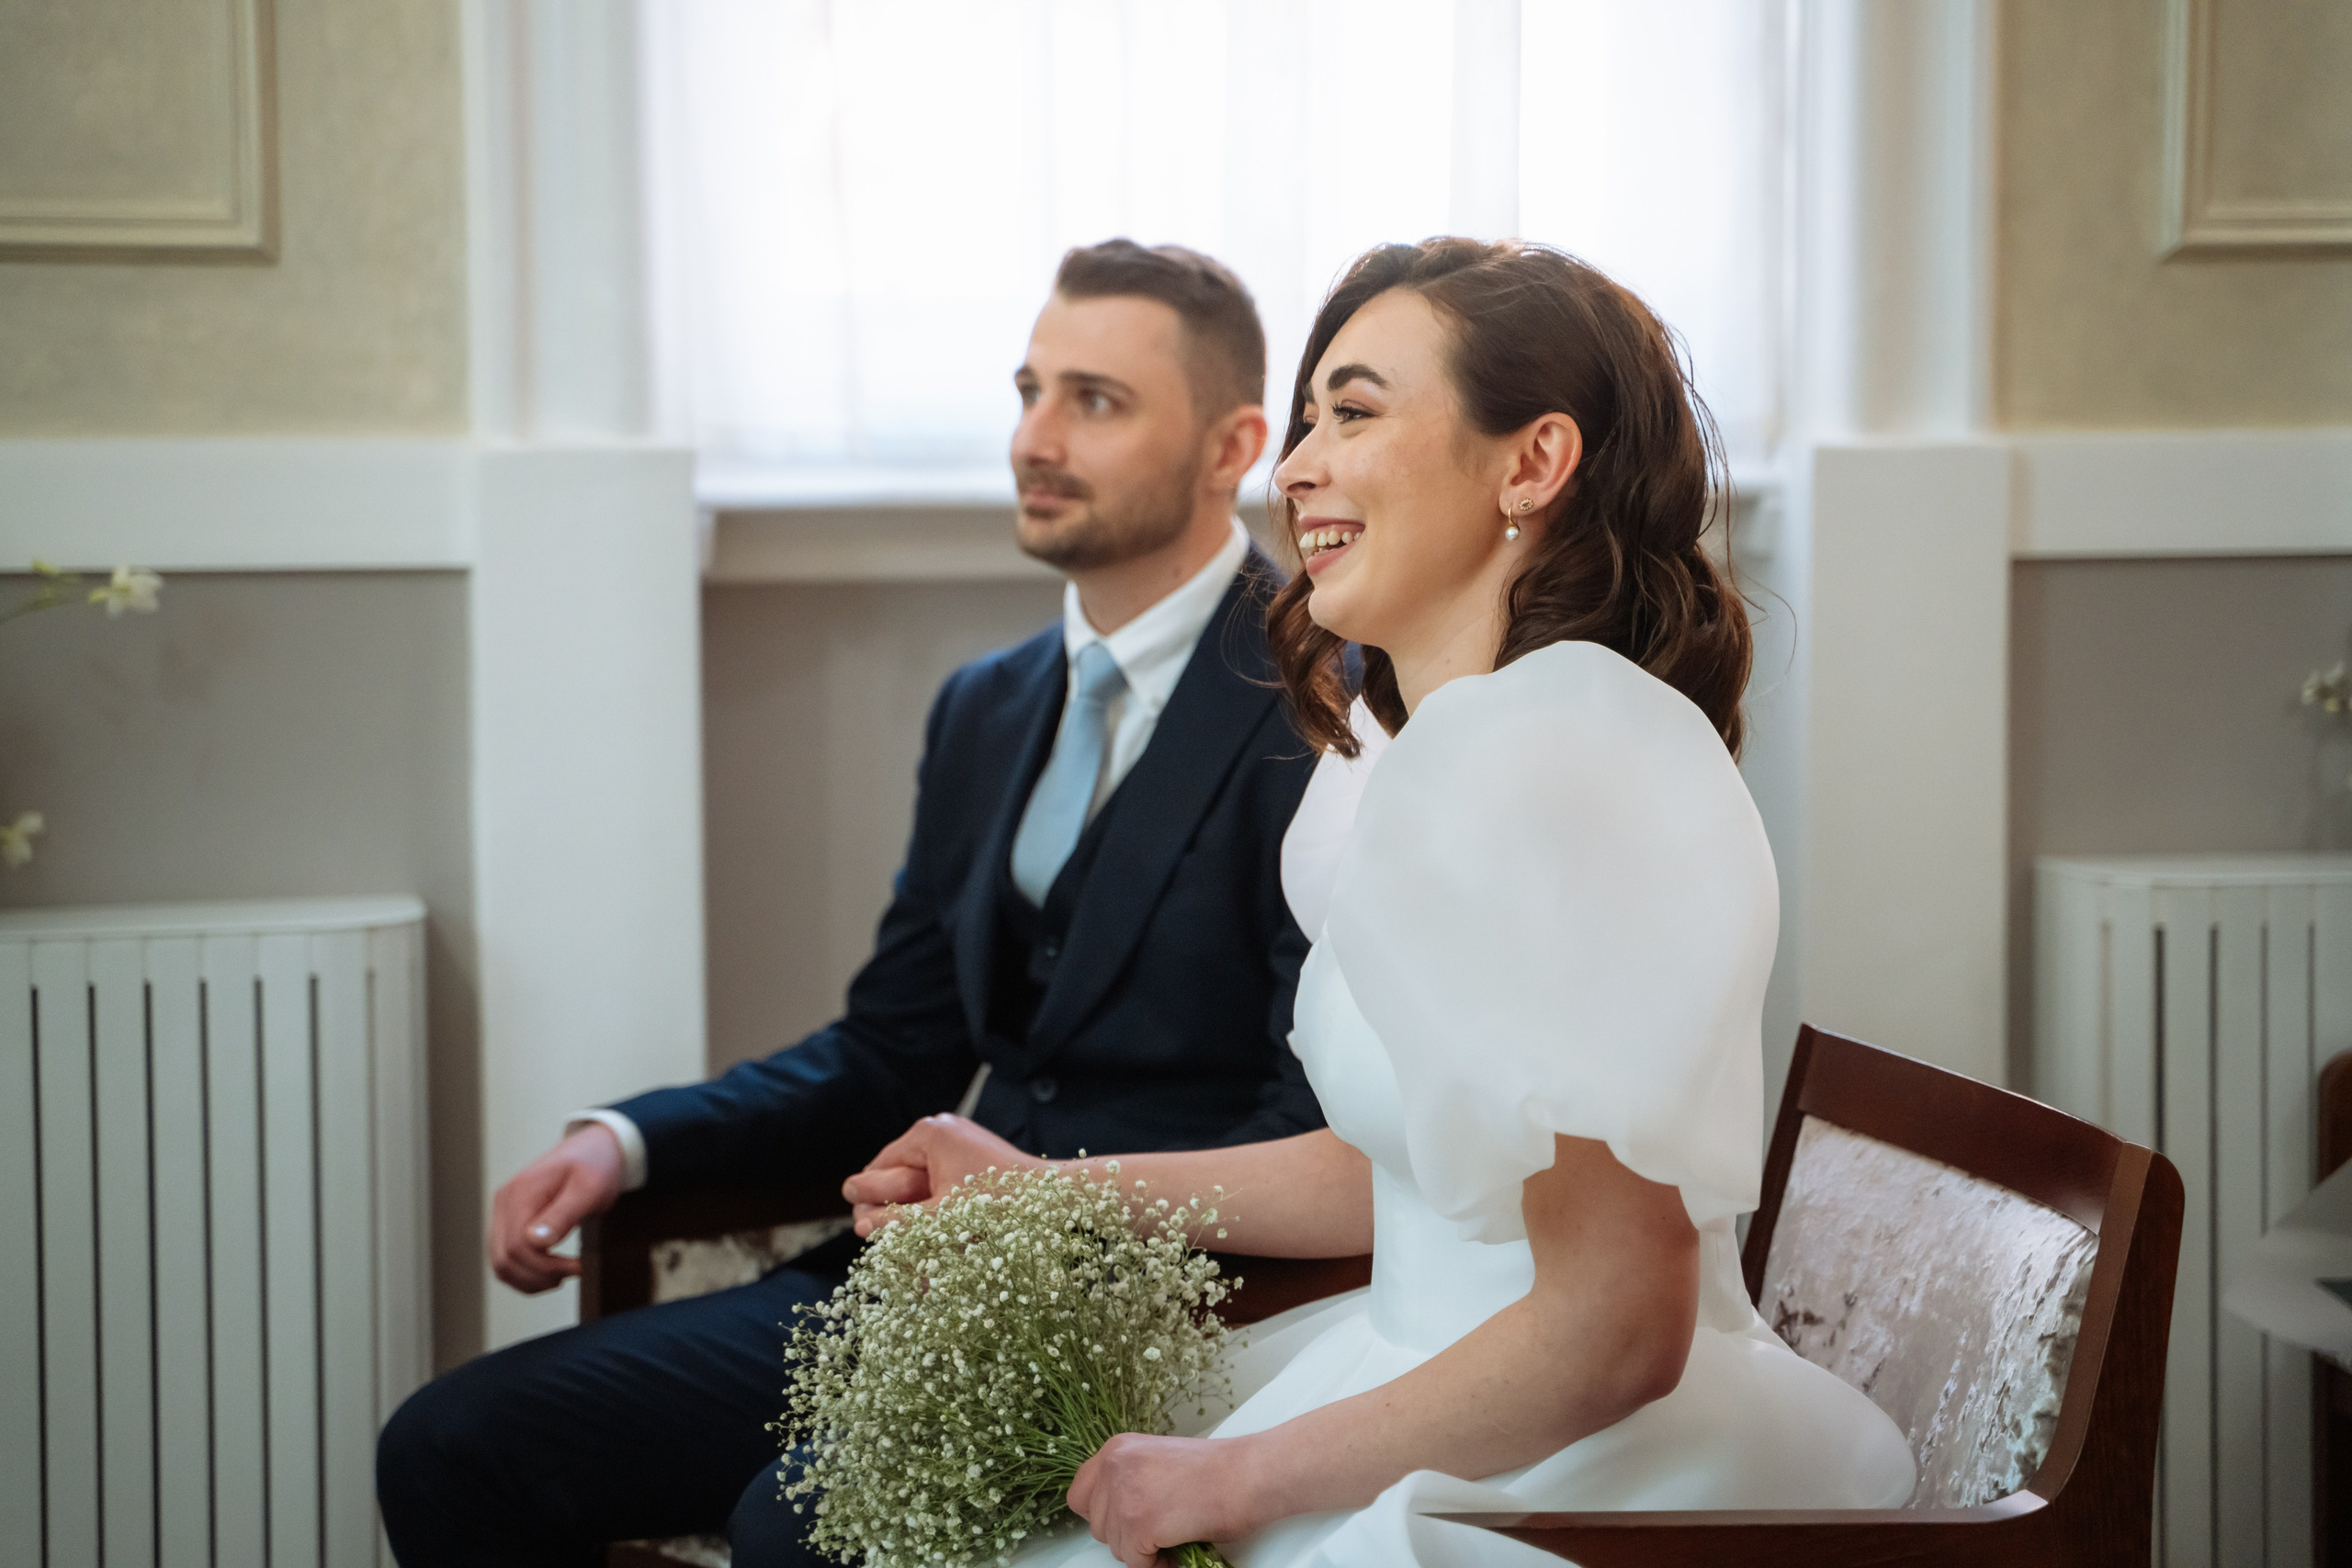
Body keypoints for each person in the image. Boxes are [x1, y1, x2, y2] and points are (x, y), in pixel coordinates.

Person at [825, 239, 1919, 1568]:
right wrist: (1044, 1193)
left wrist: (1233, 1479)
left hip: (1573, 1455)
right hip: (1417, 1369)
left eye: (1352, 413)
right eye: (1303, 423)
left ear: (1533, 462)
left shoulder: (1565, 762)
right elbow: (1406, 1173)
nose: (1295, 469)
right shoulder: (1417, 752)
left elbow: (1616, 1328)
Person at [376, 241, 1330, 1566]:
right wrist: (628, 1143)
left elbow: (1313, 1116)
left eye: (1096, 401)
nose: (1036, 439)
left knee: (793, 1531)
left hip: (1183, 1309)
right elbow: (892, 1053)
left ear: (1233, 447)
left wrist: (1054, 1214)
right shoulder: (986, 707)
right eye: (1029, 392)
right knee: (452, 1446)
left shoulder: (1324, 704)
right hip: (909, 1285)